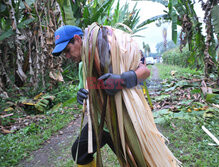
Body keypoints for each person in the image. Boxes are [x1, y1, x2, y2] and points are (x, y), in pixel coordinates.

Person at [52, 25, 150, 167]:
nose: (67, 56)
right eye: (64, 54)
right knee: (80, 152)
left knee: (134, 162)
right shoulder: (82, 66)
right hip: (99, 122)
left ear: (77, 39)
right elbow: (86, 89)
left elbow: (145, 71)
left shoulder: (112, 51)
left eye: (67, 50)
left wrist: (121, 80)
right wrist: (82, 97)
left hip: (122, 122)